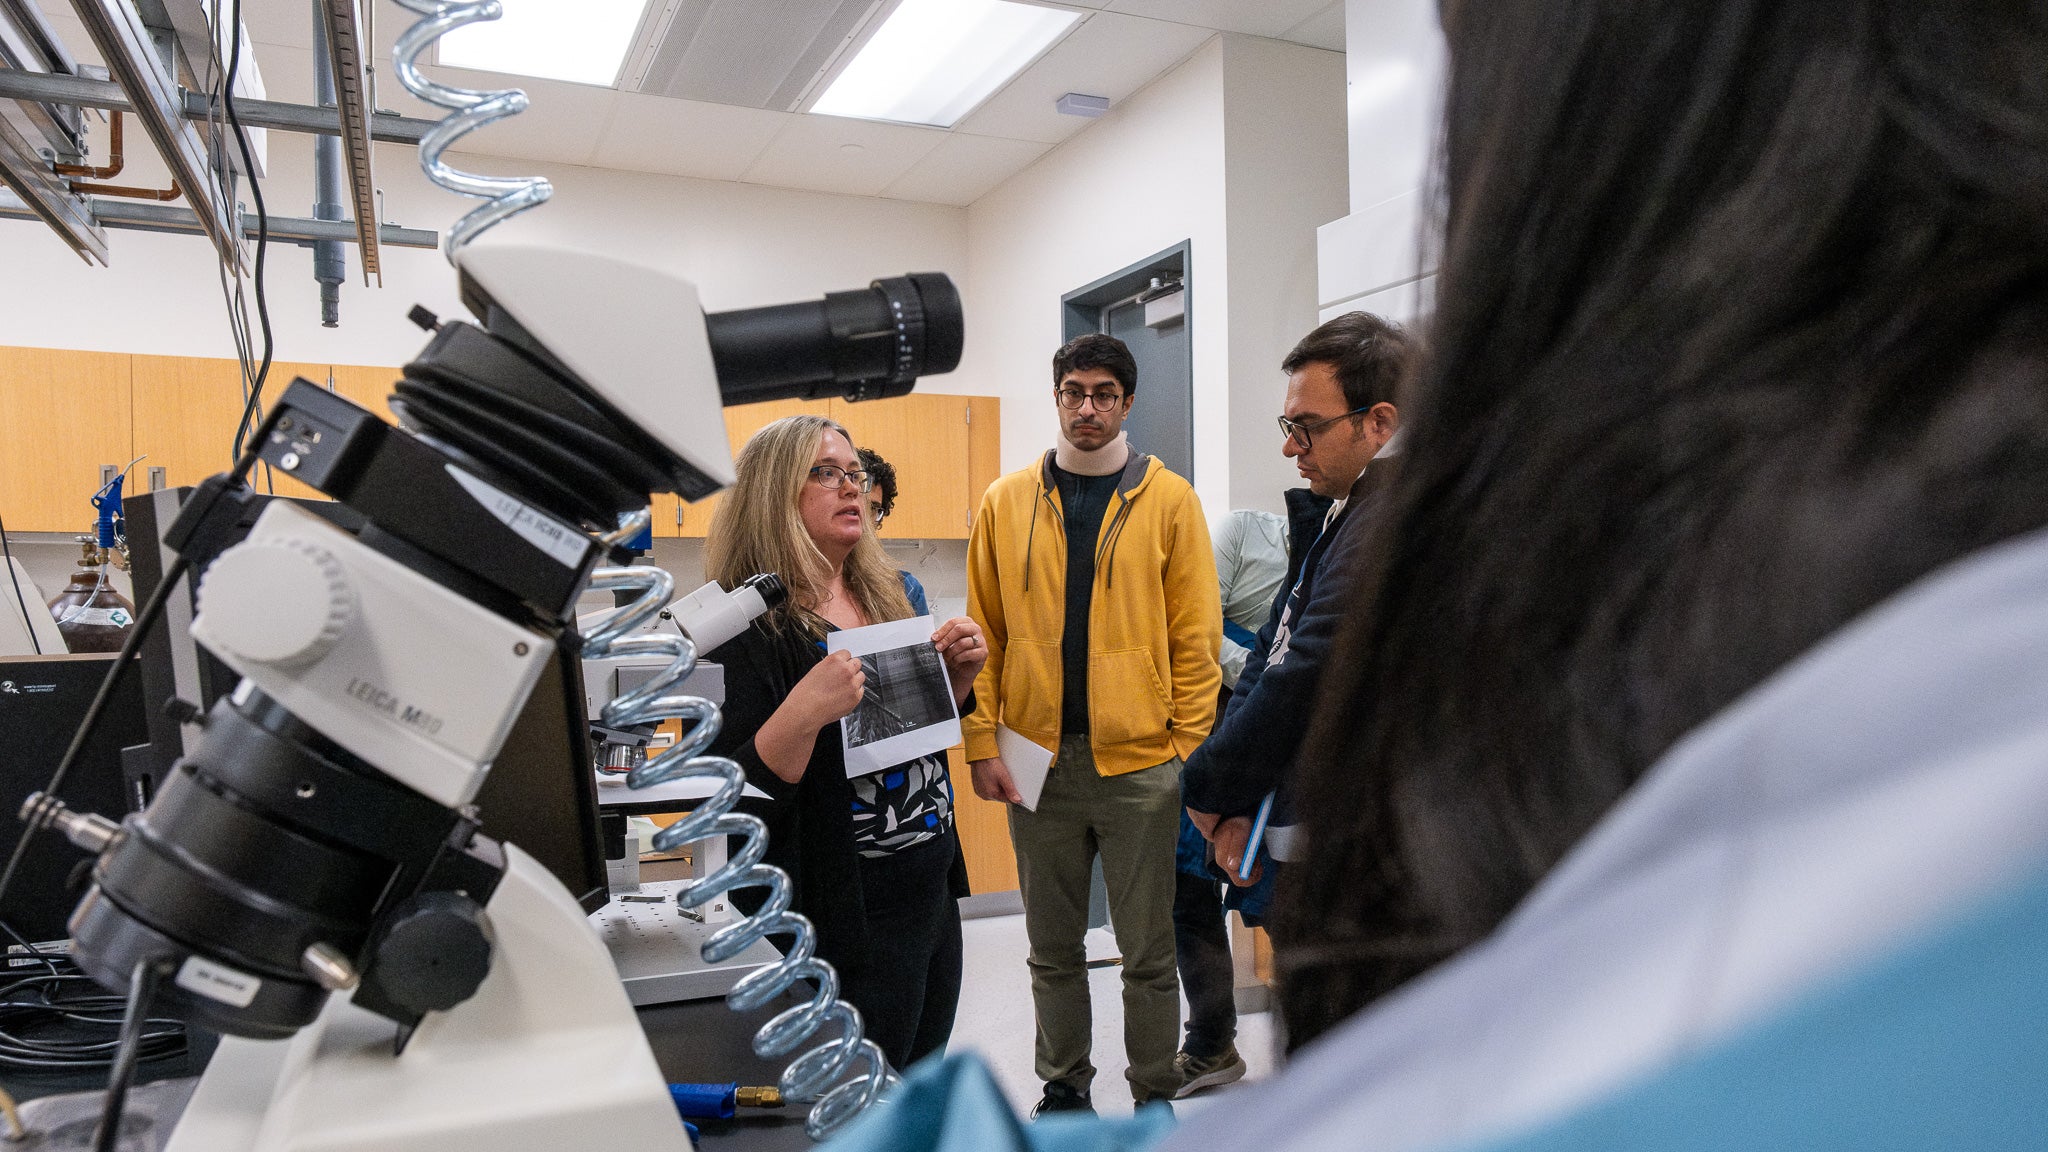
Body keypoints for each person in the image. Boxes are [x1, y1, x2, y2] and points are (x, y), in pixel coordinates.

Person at [963, 333, 1222, 1115]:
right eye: (1074, 391)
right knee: (1051, 951)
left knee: (1148, 951)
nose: (1088, 407)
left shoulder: (1169, 500)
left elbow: (1196, 639)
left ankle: (1153, 1095)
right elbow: (984, 636)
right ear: (1056, 397)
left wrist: (1184, 751)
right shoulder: (1005, 502)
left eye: (1104, 393)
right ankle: (1065, 1090)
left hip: (1142, 764)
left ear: (1127, 403)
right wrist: (981, 743)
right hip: (1032, 758)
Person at [701, 414, 988, 1071]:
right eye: (825, 473)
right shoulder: (740, 622)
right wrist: (803, 712)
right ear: (774, 492)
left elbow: (901, 735)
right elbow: (736, 803)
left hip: (930, 885)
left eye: (853, 473)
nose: (850, 487)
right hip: (848, 909)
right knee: (865, 1094)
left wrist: (955, 682)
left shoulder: (881, 592)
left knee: (921, 1072)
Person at [1180, 313, 1412, 907]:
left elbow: (1306, 673)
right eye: (1290, 425)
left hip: (1371, 856)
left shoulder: (1391, 524)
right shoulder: (1342, 512)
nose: (1290, 447)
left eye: (1307, 427)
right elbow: (1271, 648)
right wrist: (1225, 791)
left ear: (1378, 422)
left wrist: (1209, 786)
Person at [1167, 507, 1285, 1097]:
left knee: (1280, 895)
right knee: (1190, 892)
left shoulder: (1349, 543)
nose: (1297, 450)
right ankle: (1211, 1042)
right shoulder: (1247, 531)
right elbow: (1198, 626)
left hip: (1287, 749)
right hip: (1217, 735)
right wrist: (1268, 677)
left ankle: (1318, 1053)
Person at [858, 445, 930, 614]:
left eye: (873, 508)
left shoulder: (907, 591)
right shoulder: (790, 590)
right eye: (860, 504)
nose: (861, 519)